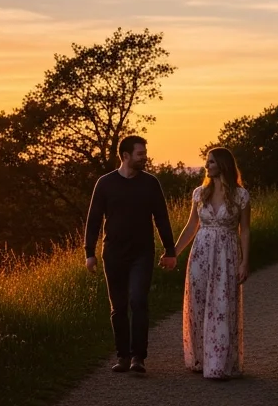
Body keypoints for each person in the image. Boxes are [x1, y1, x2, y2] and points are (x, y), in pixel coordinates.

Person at [84, 135, 177, 374]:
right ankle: (122, 356)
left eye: (144, 153)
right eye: (140, 154)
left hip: (142, 253)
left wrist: (170, 250)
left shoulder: (150, 183)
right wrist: (89, 252)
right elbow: (94, 220)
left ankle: (138, 357)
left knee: (138, 300)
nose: (144, 157)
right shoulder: (105, 184)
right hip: (113, 253)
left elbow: (162, 218)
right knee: (118, 306)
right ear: (125, 156)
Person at [172, 147, 250, 379]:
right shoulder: (199, 193)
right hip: (201, 253)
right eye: (207, 162)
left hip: (227, 254)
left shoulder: (241, 195)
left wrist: (245, 261)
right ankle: (200, 358)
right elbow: (190, 227)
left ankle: (219, 363)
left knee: (222, 304)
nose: (207, 166)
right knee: (199, 303)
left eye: (212, 162)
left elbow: (244, 231)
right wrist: (174, 252)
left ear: (224, 165)